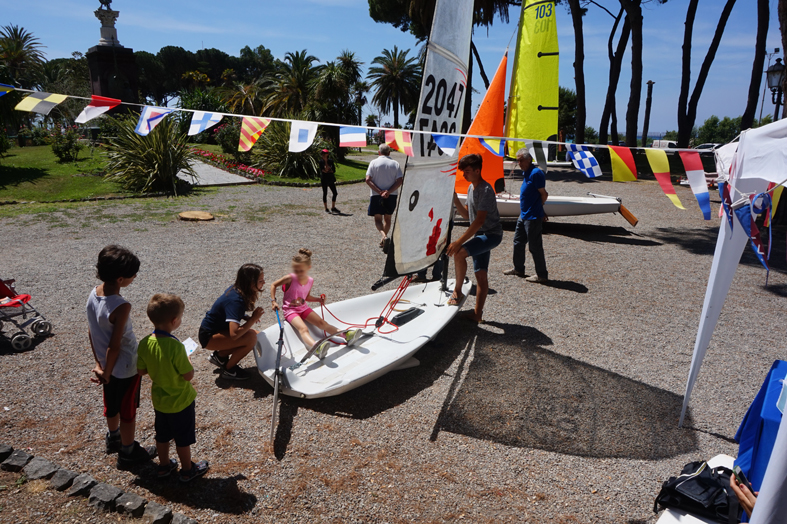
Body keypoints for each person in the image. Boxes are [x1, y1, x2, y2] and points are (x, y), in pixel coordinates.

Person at [86, 245, 155, 467]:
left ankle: (113, 438)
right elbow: (115, 346)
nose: (135, 278)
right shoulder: (121, 306)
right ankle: (128, 452)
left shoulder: (94, 293)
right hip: (125, 367)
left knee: (111, 403)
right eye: (133, 275)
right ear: (120, 278)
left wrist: (101, 366)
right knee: (128, 409)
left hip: (107, 366)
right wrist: (107, 371)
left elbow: (92, 331)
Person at [137, 294, 209, 483]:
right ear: (174, 320)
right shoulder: (176, 347)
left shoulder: (144, 343)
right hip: (181, 401)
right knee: (182, 438)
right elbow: (188, 375)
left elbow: (141, 371)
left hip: (160, 401)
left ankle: (163, 466)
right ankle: (187, 470)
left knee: (162, 435)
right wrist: (188, 359)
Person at [270, 249, 362, 356]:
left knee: (322, 323)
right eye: (295, 270)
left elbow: (306, 297)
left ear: (308, 268)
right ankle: (316, 348)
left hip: (303, 308)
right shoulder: (289, 278)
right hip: (290, 311)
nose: (298, 273)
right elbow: (273, 285)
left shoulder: (310, 280)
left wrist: (318, 299)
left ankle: (346, 335)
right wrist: (273, 301)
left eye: (301, 271)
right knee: (303, 329)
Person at [447, 154, 503, 323]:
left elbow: (479, 222)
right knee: (481, 275)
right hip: (481, 234)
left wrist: (458, 242)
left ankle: (457, 291)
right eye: (463, 171)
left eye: (467, 171)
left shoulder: (485, 190)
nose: (464, 175)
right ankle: (477, 315)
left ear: (477, 171)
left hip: (491, 235)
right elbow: (467, 216)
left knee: (459, 253)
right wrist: (455, 200)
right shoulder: (471, 188)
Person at [199, 264, 265, 381]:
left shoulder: (237, 290)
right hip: (208, 337)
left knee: (256, 334)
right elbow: (234, 334)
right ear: (250, 282)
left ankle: (220, 357)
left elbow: (230, 312)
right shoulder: (235, 301)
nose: (264, 282)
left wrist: (246, 317)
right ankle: (229, 370)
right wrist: (252, 319)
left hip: (217, 331)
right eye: (260, 280)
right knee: (251, 338)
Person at [504, 148, 549, 283]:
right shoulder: (526, 172)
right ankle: (518, 269)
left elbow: (544, 194)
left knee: (535, 246)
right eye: (518, 161)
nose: (519, 163)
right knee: (518, 242)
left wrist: (540, 209)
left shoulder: (536, 173)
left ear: (529, 159)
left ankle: (541, 275)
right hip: (523, 215)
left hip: (533, 216)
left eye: (521, 160)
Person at [365, 143, 403, 248]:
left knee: (378, 219)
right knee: (388, 218)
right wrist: (388, 192)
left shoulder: (373, 163)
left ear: (379, 152)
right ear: (389, 153)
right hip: (391, 195)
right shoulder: (395, 164)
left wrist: (380, 191)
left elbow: (368, 179)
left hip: (376, 195)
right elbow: (400, 180)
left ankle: (384, 236)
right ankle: (384, 239)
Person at [319, 149, 339, 214]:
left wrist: (329, 170)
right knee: (325, 193)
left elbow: (333, 170)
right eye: (323, 154)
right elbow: (323, 170)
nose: (324, 155)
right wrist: (325, 162)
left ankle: (333, 207)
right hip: (324, 179)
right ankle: (326, 208)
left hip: (330, 178)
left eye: (325, 153)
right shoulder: (321, 161)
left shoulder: (330, 161)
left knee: (335, 193)